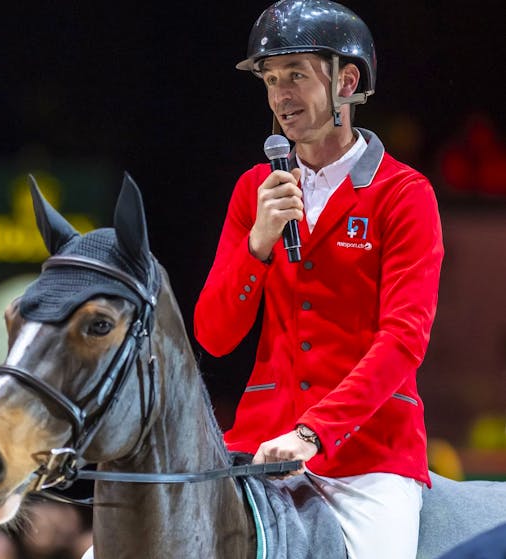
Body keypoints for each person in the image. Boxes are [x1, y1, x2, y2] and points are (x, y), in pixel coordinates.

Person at [193, 1, 443, 558]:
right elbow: (213, 336)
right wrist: (257, 246)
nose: (281, 96)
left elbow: (404, 340)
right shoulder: (254, 189)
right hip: (257, 445)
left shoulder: (404, 194)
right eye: (272, 80)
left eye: (298, 76)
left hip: (368, 456)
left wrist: (313, 433)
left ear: (346, 82)